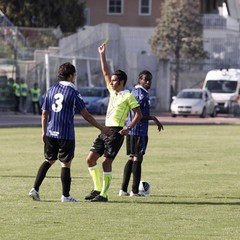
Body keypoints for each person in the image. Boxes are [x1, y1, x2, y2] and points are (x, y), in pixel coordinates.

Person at [28, 62, 112, 202]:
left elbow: (44, 114)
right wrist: (101, 128)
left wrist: (43, 131)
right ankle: (65, 196)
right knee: (65, 164)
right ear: (71, 75)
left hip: (50, 132)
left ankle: (34, 189)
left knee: (49, 160)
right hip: (65, 134)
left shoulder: (51, 89)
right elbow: (85, 115)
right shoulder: (73, 93)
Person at [84, 43, 142, 202]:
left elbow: (138, 114)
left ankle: (104, 194)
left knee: (105, 162)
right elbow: (105, 72)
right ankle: (96, 189)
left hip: (116, 132)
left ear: (121, 82)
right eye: (112, 80)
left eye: (115, 80)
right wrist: (102, 54)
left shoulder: (128, 96)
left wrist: (128, 128)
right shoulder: (112, 91)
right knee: (90, 159)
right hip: (104, 130)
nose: (111, 82)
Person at [119, 70, 164, 197]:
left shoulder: (136, 91)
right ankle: (134, 191)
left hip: (133, 130)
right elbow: (137, 115)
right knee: (137, 158)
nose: (148, 82)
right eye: (145, 79)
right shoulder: (140, 94)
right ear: (140, 79)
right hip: (138, 130)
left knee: (132, 157)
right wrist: (154, 118)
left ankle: (123, 189)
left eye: (150, 80)